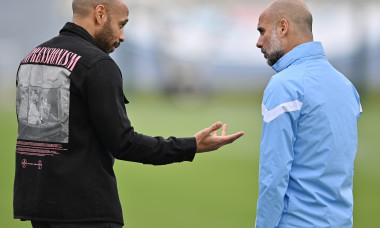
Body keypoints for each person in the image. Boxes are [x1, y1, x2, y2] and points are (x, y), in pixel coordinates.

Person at [14, 0, 244, 227]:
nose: (122, 36)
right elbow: (123, 143)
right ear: (100, 14)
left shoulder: (31, 59)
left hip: (37, 203)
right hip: (83, 208)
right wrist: (190, 145)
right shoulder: (97, 64)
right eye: (121, 25)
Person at [254, 0, 362, 227]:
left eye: (262, 31)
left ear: (283, 27)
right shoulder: (346, 86)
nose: (258, 42)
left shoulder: (284, 86)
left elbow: (273, 177)